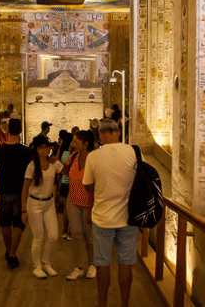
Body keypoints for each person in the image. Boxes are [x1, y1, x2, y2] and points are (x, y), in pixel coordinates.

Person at [83, 118, 139, 307]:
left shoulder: (93, 156)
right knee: (126, 263)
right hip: (128, 217)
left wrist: (101, 189)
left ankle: (102, 304)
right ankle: (124, 304)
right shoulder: (133, 152)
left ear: (100, 134)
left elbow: (88, 185)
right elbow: (140, 180)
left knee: (103, 263)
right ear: (118, 131)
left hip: (102, 217)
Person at [0, 118, 32, 269]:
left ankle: (8, 250)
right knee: (19, 224)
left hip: (4, 190)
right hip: (20, 192)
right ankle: (13, 254)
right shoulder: (26, 151)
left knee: (5, 223)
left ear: (7, 130)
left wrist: (4, 169)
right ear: (20, 130)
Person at [21, 135, 63, 279]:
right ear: (36, 149)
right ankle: (37, 265)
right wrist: (24, 210)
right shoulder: (32, 166)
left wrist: (58, 160)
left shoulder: (53, 164)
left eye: (46, 146)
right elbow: (25, 189)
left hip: (49, 203)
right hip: (35, 204)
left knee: (53, 235)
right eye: (41, 147)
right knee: (38, 236)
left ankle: (45, 261)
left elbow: (68, 172)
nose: (45, 150)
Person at [62, 130, 97, 281]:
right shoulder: (74, 156)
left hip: (89, 203)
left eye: (76, 141)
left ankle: (93, 265)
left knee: (89, 236)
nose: (73, 144)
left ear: (85, 143)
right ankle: (78, 267)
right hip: (73, 200)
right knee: (76, 234)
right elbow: (64, 170)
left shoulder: (94, 159)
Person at [57, 129, 73, 240]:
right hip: (72, 183)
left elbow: (61, 167)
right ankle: (70, 232)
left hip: (64, 182)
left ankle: (64, 230)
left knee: (66, 209)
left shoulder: (64, 153)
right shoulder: (73, 154)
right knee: (72, 209)